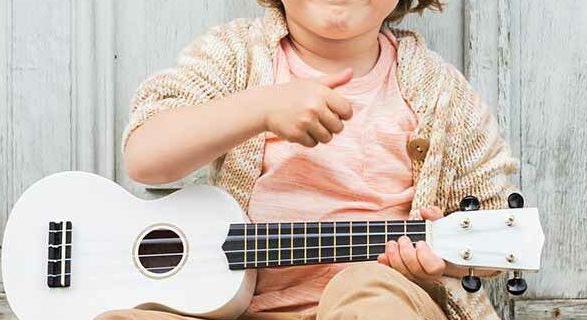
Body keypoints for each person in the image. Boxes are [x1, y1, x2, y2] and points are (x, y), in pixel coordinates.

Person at [99, 0, 518, 319]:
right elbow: (145, 156)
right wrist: (259, 109)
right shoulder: (236, 56)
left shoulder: (441, 92)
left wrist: (434, 265)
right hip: (236, 311)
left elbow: (498, 232)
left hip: (377, 304)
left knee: (368, 288)